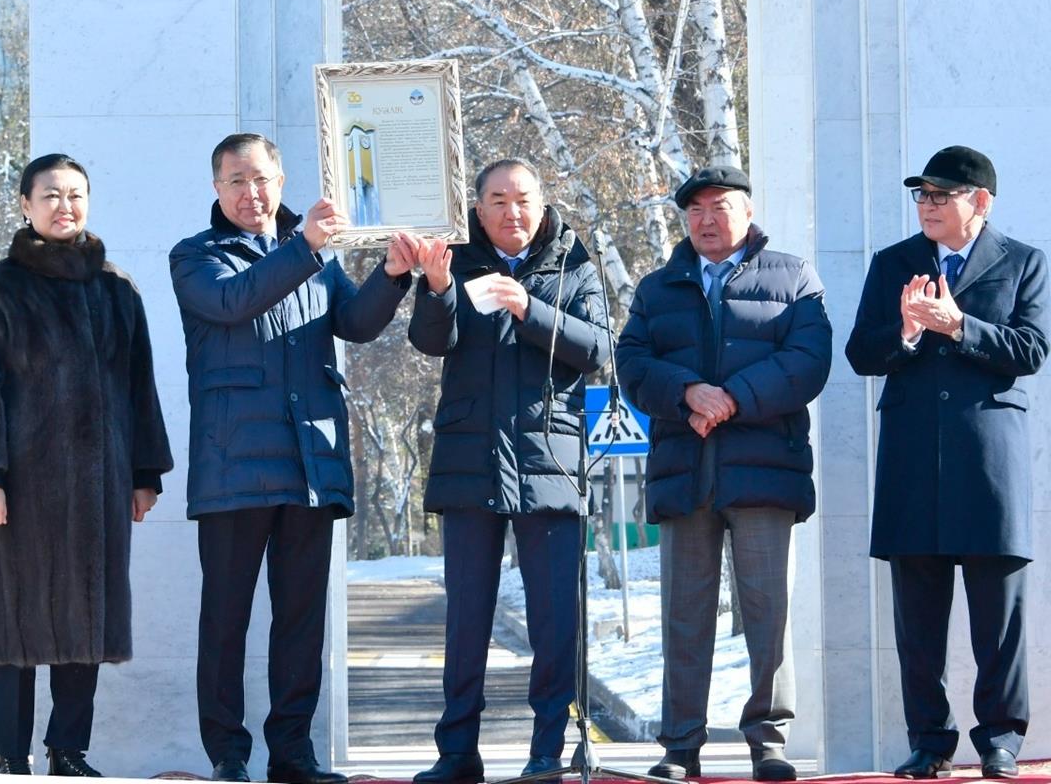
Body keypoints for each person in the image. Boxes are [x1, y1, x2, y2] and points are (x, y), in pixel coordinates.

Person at [170, 132, 420, 784]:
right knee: (226, 621)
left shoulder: (314, 256)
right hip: (233, 469)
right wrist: (306, 247)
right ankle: (228, 754)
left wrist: (394, 275)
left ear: (281, 181)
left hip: (311, 464)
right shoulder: (197, 258)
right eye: (236, 181)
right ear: (217, 189)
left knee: (301, 623)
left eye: (262, 179)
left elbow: (357, 324)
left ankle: (293, 753)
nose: (251, 193)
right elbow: (236, 301)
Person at [0, 153, 174, 777]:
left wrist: (143, 474)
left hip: (98, 486)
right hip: (18, 488)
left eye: (75, 194)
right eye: (50, 194)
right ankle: (12, 757)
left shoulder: (116, 289)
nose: (64, 205)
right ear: (25, 204)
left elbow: (139, 387)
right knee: (16, 627)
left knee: (87, 621)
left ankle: (68, 750)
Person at [616, 166, 832, 782]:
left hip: (764, 472)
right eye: (696, 210)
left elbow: (807, 361)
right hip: (685, 472)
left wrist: (730, 397)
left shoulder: (793, 278)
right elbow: (631, 362)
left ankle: (768, 741)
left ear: (747, 211)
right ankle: (681, 745)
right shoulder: (658, 288)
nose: (707, 220)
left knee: (769, 610)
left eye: (720, 207)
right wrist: (688, 392)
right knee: (685, 614)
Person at [845, 146, 1049, 780]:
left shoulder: (1023, 262)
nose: (927, 207)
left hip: (989, 462)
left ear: (979, 202)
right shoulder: (893, 264)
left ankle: (1001, 740)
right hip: (911, 463)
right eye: (921, 197)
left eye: (941, 196)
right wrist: (906, 331)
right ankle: (929, 740)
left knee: (1000, 618)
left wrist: (960, 326)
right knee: (918, 620)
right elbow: (860, 353)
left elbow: (1032, 348)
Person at [407, 159, 610, 784]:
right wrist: (438, 289)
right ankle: (457, 751)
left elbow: (600, 350)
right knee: (467, 615)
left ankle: (547, 748)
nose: (511, 212)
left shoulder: (575, 263)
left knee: (554, 619)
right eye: (497, 200)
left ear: (541, 203)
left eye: (522, 198)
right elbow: (429, 341)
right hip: (469, 461)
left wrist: (528, 308)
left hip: (550, 462)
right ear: (478, 205)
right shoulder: (456, 256)